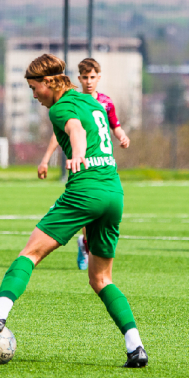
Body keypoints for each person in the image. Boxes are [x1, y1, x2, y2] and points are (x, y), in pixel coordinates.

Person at [0, 54, 148, 368]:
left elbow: (76, 132)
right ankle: (135, 346)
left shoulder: (60, 108)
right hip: (114, 192)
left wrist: (78, 156)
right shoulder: (92, 102)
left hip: (85, 190)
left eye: (34, 88)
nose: (34, 96)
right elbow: (88, 129)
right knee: (101, 279)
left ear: (48, 82)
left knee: (29, 253)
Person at [38, 58, 130, 270]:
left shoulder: (105, 102)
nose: (89, 82)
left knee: (97, 209)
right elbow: (64, 132)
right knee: (91, 207)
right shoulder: (72, 102)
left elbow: (114, 125)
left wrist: (122, 136)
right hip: (80, 166)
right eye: (85, 78)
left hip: (102, 167)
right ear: (78, 79)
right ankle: (85, 242)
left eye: (92, 77)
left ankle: (85, 244)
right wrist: (46, 159)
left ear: (99, 78)